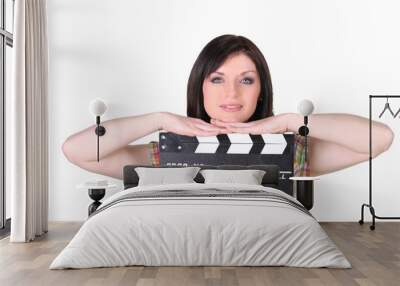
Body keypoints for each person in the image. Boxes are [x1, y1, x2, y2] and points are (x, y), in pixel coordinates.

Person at [62, 34, 394, 180]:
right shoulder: (167, 152)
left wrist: (292, 121)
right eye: (217, 79)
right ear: (200, 87)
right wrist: (158, 119)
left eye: (247, 80)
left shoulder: (288, 152)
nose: (232, 92)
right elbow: (76, 150)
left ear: (261, 89)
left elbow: (378, 138)